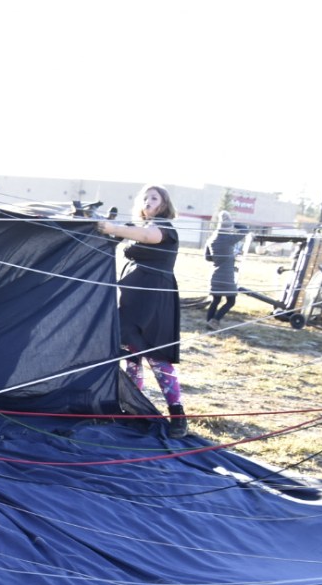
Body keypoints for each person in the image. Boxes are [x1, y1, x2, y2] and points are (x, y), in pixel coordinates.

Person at [97, 185, 188, 437]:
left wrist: (113, 229)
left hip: (155, 299)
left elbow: (149, 237)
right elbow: (128, 235)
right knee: (131, 354)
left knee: (156, 355)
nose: (148, 201)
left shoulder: (164, 229)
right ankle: (133, 408)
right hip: (132, 297)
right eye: (145, 197)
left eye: (154, 198)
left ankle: (177, 414)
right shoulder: (139, 227)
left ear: (164, 204)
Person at [203, 210, 246, 330]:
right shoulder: (229, 238)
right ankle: (215, 320)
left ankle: (209, 322)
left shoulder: (211, 239)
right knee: (231, 301)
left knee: (215, 300)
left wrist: (220, 258)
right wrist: (233, 223)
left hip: (215, 275)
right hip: (226, 276)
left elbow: (208, 258)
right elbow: (245, 230)